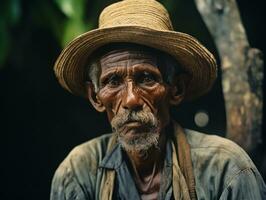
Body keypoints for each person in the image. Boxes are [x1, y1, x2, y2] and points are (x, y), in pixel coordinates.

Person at [50, 0, 266, 199]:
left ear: (176, 89)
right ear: (95, 97)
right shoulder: (78, 172)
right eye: (113, 81)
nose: (131, 99)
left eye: (146, 78)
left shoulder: (226, 170)